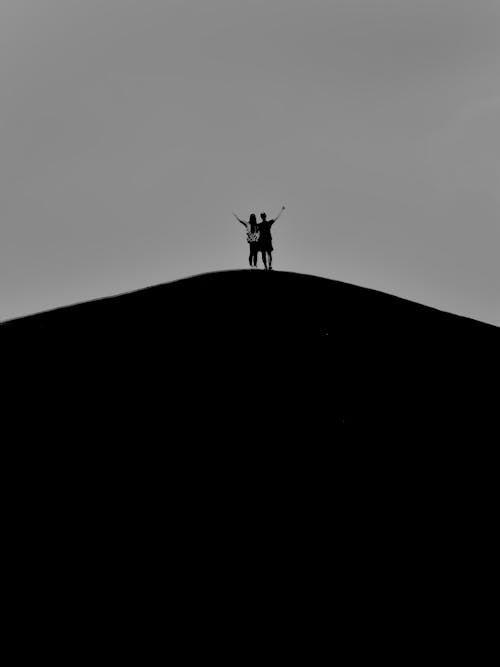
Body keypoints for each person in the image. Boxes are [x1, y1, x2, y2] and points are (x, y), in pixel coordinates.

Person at [258, 206, 285, 270]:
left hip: (263, 240)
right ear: (265, 216)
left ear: (261, 217)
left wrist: (281, 210)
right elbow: (276, 218)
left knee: (265, 254)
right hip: (266, 240)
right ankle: (268, 266)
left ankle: (267, 266)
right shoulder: (267, 223)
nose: (263, 217)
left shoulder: (260, 225)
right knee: (267, 253)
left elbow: (276, 218)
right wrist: (281, 210)